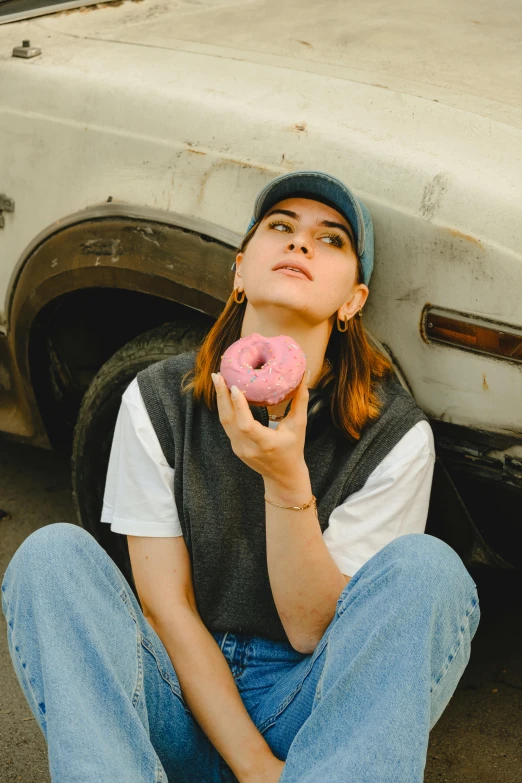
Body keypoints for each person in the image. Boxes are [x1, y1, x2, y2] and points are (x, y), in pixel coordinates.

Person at [1, 171, 480, 783]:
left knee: (427, 571)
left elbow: (313, 630)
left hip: (311, 713)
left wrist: (287, 482)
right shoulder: (157, 400)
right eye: (280, 227)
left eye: (330, 240)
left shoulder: (394, 436)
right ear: (239, 270)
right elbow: (165, 606)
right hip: (181, 699)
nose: (300, 244)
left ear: (353, 300)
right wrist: (254, 767)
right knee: (51, 557)